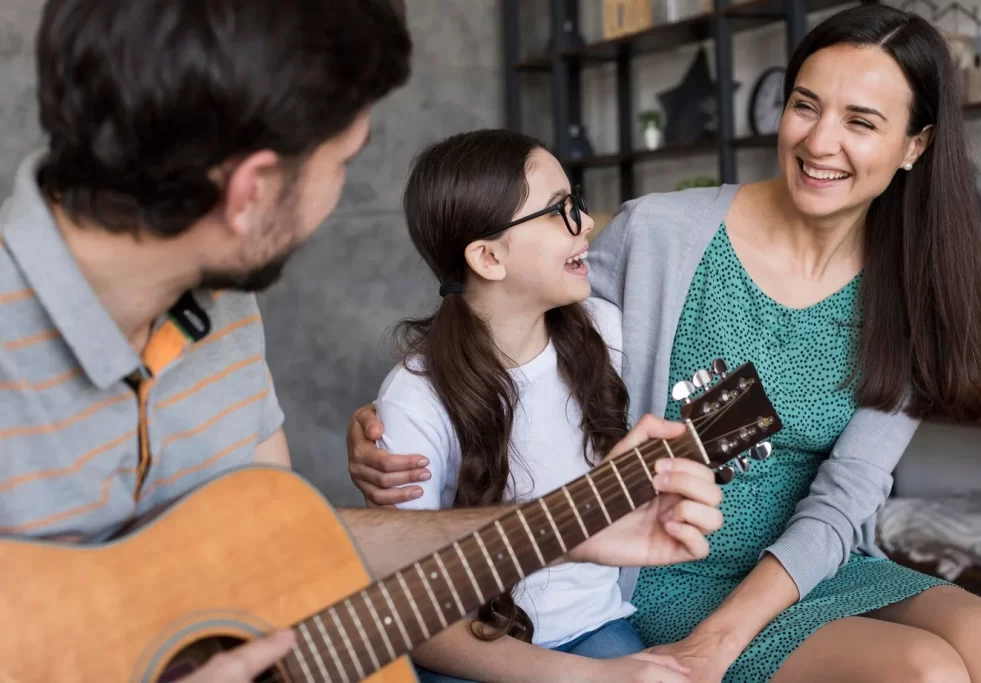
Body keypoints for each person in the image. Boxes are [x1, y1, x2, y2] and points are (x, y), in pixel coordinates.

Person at [0, 0, 726, 681]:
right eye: (343, 161)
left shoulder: (222, 311)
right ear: (253, 192)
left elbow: (282, 550)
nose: (339, 196)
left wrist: (558, 526)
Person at [347, 5, 981, 683]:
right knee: (925, 671)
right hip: (667, 567)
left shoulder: (910, 292)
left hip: (809, 561)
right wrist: (403, 416)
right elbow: (513, 319)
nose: (820, 142)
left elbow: (846, 497)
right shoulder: (659, 236)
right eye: (805, 105)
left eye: (861, 122)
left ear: (915, 145)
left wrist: (724, 638)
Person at [368, 129, 716, 683]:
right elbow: (414, 621)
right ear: (488, 257)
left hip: (594, 626)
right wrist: (590, 678)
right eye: (559, 212)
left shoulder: (605, 331)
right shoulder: (413, 400)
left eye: (576, 203)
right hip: (472, 651)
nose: (587, 223)